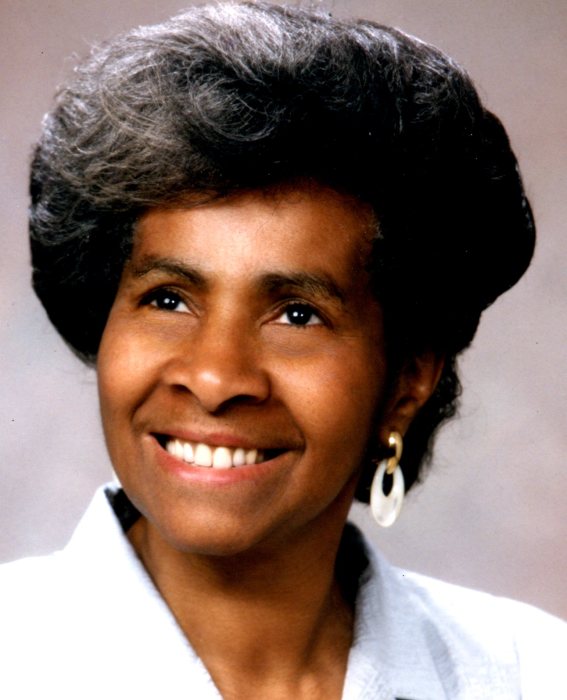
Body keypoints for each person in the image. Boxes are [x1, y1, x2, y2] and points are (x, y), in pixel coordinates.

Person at [1, 2, 565, 698]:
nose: (214, 378)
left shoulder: (533, 675)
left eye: (298, 314)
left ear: (407, 380)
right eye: (168, 299)